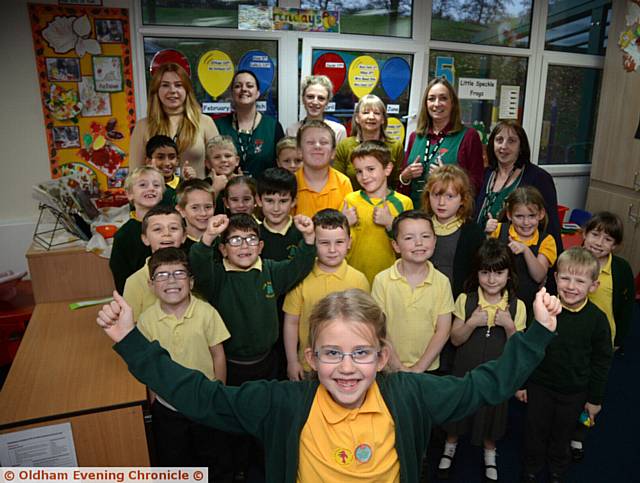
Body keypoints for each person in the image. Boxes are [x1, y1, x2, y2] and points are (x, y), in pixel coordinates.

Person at [98, 287, 561, 483]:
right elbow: (203, 396)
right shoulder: (281, 404)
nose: (346, 368)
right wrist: (132, 342)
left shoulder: (409, 393)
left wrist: (537, 331)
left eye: (361, 353)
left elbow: (485, 385)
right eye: (332, 353)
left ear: (382, 358)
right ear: (310, 358)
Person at [188, 212, 316, 479]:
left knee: (265, 421)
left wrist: (309, 238)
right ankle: (236, 470)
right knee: (233, 423)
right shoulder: (217, 277)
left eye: (250, 239)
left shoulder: (269, 269)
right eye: (235, 240)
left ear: (260, 246)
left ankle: (261, 469)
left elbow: (298, 266)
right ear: (222, 249)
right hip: (231, 367)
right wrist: (208, 236)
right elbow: (197, 265)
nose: (244, 246)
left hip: (268, 363)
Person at [518, 248, 612, 483]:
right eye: (565, 278)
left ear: (594, 286)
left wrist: (594, 399)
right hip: (540, 386)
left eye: (580, 281)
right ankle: (531, 466)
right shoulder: (542, 310)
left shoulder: (597, 320)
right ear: (555, 278)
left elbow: (601, 362)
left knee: (563, 433)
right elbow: (528, 349)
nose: (571, 286)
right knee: (534, 430)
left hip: (574, 391)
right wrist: (521, 384)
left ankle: (558, 469)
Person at [137, 247, 231, 481]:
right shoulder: (147, 320)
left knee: (212, 458)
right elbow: (148, 367)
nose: (171, 281)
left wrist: (217, 392)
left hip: (204, 402)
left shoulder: (206, 312)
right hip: (168, 407)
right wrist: (152, 403)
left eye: (179, 274)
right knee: (176, 462)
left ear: (190, 281)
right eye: (162, 275)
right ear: (151, 284)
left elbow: (218, 355)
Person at [438, 239, 526, 482]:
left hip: (496, 375)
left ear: (509, 274)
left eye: (499, 272)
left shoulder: (517, 307)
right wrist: (470, 323)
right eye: (485, 272)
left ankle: (490, 452)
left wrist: (509, 326)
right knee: (458, 412)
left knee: (492, 413)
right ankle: (450, 446)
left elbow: (518, 349)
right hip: (465, 370)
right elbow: (455, 340)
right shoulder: (465, 300)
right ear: (477, 273)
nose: (491, 279)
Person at [283, 209, 369, 381]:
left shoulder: (359, 280)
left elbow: (365, 326)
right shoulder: (302, 277)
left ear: (349, 242)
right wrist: (292, 361)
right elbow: (291, 322)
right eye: (324, 243)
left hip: (347, 366)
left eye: (339, 242)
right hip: (309, 365)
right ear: (313, 242)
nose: (332, 250)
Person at [372, 210, 454, 373]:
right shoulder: (382, 280)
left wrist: (419, 368)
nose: (419, 243)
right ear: (395, 245)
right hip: (389, 367)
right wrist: (398, 366)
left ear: (435, 240)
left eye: (425, 236)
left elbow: (443, 330)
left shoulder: (441, 282)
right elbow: (378, 328)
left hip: (428, 369)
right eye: (409, 238)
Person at [476, 120, 562, 251]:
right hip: (482, 253)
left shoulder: (538, 178)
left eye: (511, 141)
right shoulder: (485, 174)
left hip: (520, 258)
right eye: (499, 140)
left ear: (521, 146)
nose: (504, 146)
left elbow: (551, 227)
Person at [400, 78, 484, 208]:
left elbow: (477, 184)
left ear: (453, 103)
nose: (437, 104)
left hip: (449, 219)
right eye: (431, 99)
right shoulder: (415, 137)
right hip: (415, 216)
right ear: (425, 104)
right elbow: (402, 187)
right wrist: (405, 177)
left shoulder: (468, 136)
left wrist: (448, 177)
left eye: (443, 98)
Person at [129, 63, 218, 178]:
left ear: (187, 90)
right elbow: (134, 175)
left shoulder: (205, 122)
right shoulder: (143, 126)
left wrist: (210, 190)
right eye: (165, 85)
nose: (172, 90)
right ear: (156, 90)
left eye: (178, 85)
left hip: (198, 193)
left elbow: (219, 167)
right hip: (158, 195)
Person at [342, 141, 413, 284]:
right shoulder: (350, 200)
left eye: (370, 169)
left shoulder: (403, 202)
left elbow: (411, 245)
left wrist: (391, 223)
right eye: (359, 171)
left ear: (387, 169)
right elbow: (336, 241)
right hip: (352, 278)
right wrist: (344, 224)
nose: (364, 176)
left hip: (391, 281)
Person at [487, 186, 557, 319]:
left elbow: (539, 276)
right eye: (519, 216)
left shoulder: (546, 240)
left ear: (541, 214)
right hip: (494, 302)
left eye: (532, 216)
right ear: (509, 215)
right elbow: (483, 261)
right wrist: (486, 234)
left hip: (527, 307)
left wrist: (525, 250)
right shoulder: (498, 230)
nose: (526, 223)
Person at [422, 164, 484, 298]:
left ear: (462, 199)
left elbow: (478, 275)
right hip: (424, 299)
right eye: (436, 195)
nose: (441, 202)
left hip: (458, 303)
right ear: (428, 195)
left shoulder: (473, 233)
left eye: (450, 196)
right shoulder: (420, 226)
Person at [123, 205, 187, 322]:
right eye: (158, 229)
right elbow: (131, 325)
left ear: (184, 236)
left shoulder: (193, 272)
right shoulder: (134, 281)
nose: (166, 233)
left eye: (173, 228)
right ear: (145, 238)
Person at [215, 70, 284, 177]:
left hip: (265, 192)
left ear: (257, 93)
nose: (244, 89)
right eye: (238, 86)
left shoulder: (273, 127)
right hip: (228, 192)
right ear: (232, 93)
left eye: (249, 85)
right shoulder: (219, 126)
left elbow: (282, 165)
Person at [582, 212, 635, 349]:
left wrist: (618, 339)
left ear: (614, 245)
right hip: (573, 332)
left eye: (608, 239)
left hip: (603, 336)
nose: (599, 243)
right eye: (595, 235)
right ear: (585, 234)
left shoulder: (622, 269)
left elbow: (626, 308)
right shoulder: (569, 259)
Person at [109, 166, 163, 294]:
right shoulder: (123, 235)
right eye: (143, 185)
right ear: (129, 194)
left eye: (156, 185)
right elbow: (120, 273)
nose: (151, 188)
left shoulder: (172, 225)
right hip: (140, 297)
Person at [334, 94, 403, 190]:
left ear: (383, 119)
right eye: (366, 112)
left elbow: (396, 182)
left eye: (377, 113)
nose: (371, 117)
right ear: (357, 118)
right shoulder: (344, 146)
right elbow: (337, 181)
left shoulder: (395, 146)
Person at [293, 120, 353, 217]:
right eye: (310, 142)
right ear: (299, 151)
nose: (317, 146)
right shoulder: (290, 183)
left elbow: (347, 224)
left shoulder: (343, 183)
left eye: (324, 142)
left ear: (333, 152)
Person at [286, 75, 347, 145]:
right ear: (303, 99)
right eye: (310, 97)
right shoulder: (292, 131)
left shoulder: (338, 131)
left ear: (327, 102)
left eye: (321, 98)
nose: (315, 102)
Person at [257, 167, 302, 261]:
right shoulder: (254, 235)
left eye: (283, 201)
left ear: (293, 201)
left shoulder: (303, 233)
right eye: (269, 201)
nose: (276, 208)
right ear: (259, 200)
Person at [144, 135, 195, 207]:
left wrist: (190, 184)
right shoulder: (142, 187)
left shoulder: (183, 184)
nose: (167, 163)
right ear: (148, 161)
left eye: (172, 157)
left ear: (177, 161)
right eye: (160, 157)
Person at [175, 179, 215, 252]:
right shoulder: (176, 244)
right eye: (195, 208)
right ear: (181, 210)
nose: (203, 213)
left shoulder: (223, 241)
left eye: (208, 207)